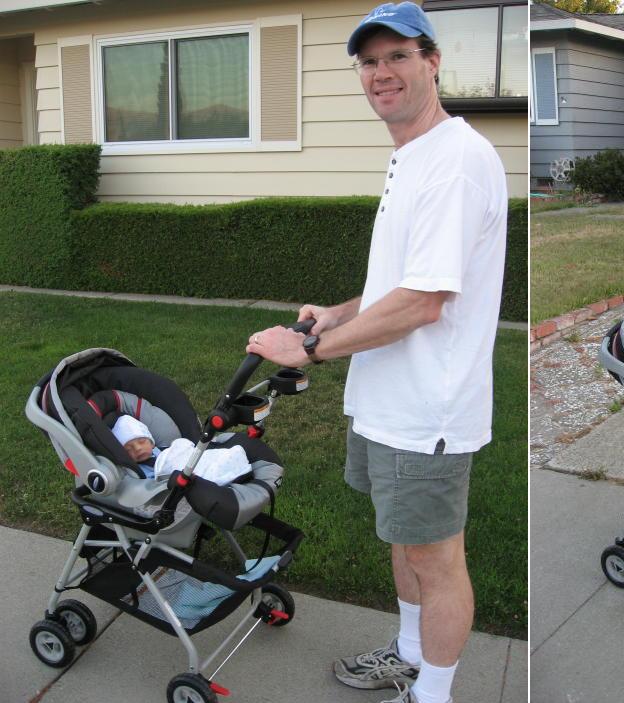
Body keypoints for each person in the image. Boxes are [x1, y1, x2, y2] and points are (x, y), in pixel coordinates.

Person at [245, 4, 507, 702]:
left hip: (427, 411)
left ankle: (432, 693)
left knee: (436, 558)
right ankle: (409, 655)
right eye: (368, 61)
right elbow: (403, 283)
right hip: (390, 403)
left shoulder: (454, 162)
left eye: (398, 56)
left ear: (432, 62)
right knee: (404, 542)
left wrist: (312, 349)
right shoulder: (414, 155)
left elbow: (422, 303)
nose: (381, 73)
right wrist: (337, 313)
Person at [111, 415, 251, 485]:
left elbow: (179, 454)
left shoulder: (161, 452)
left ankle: (231, 464)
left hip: (186, 462)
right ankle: (226, 472)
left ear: (151, 443)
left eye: (141, 441)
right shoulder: (137, 471)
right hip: (177, 479)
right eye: (129, 449)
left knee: (206, 458)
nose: (138, 448)